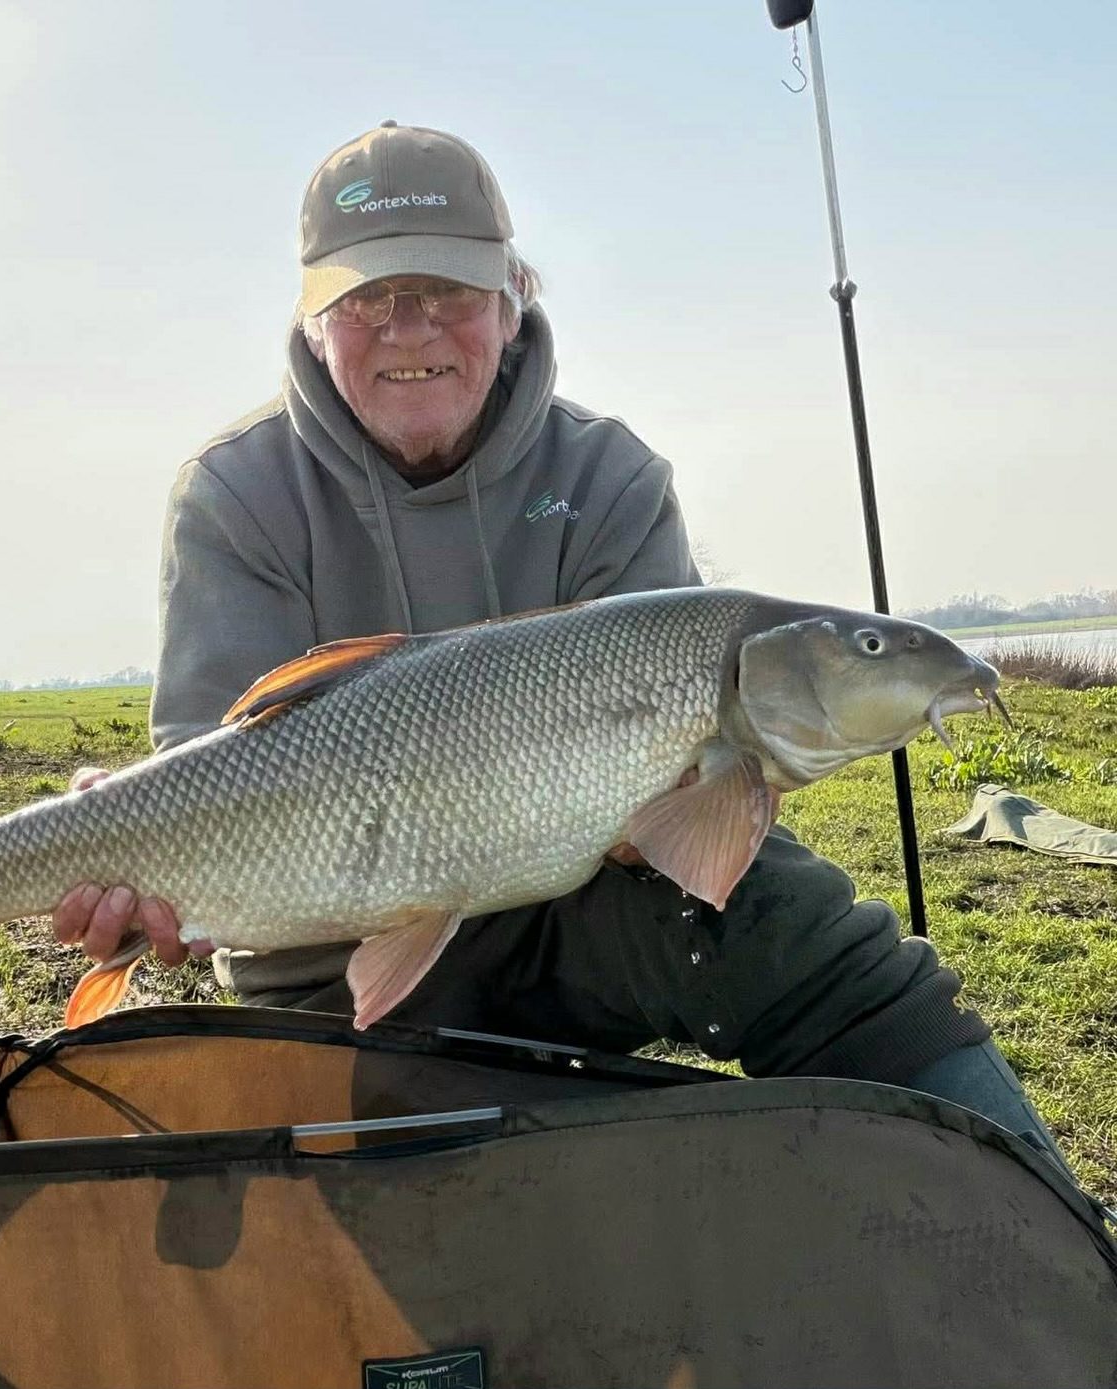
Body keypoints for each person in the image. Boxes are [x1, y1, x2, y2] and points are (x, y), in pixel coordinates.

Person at [54, 121, 1075, 1181]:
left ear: (511, 297)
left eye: (447, 292)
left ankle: (1050, 1232)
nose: (410, 330)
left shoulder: (610, 477)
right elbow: (206, 749)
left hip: (570, 909)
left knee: (801, 927)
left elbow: (667, 837)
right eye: (369, 298)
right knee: (396, 1207)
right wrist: (132, 856)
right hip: (323, 944)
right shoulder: (235, 491)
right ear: (316, 319)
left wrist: (693, 804)